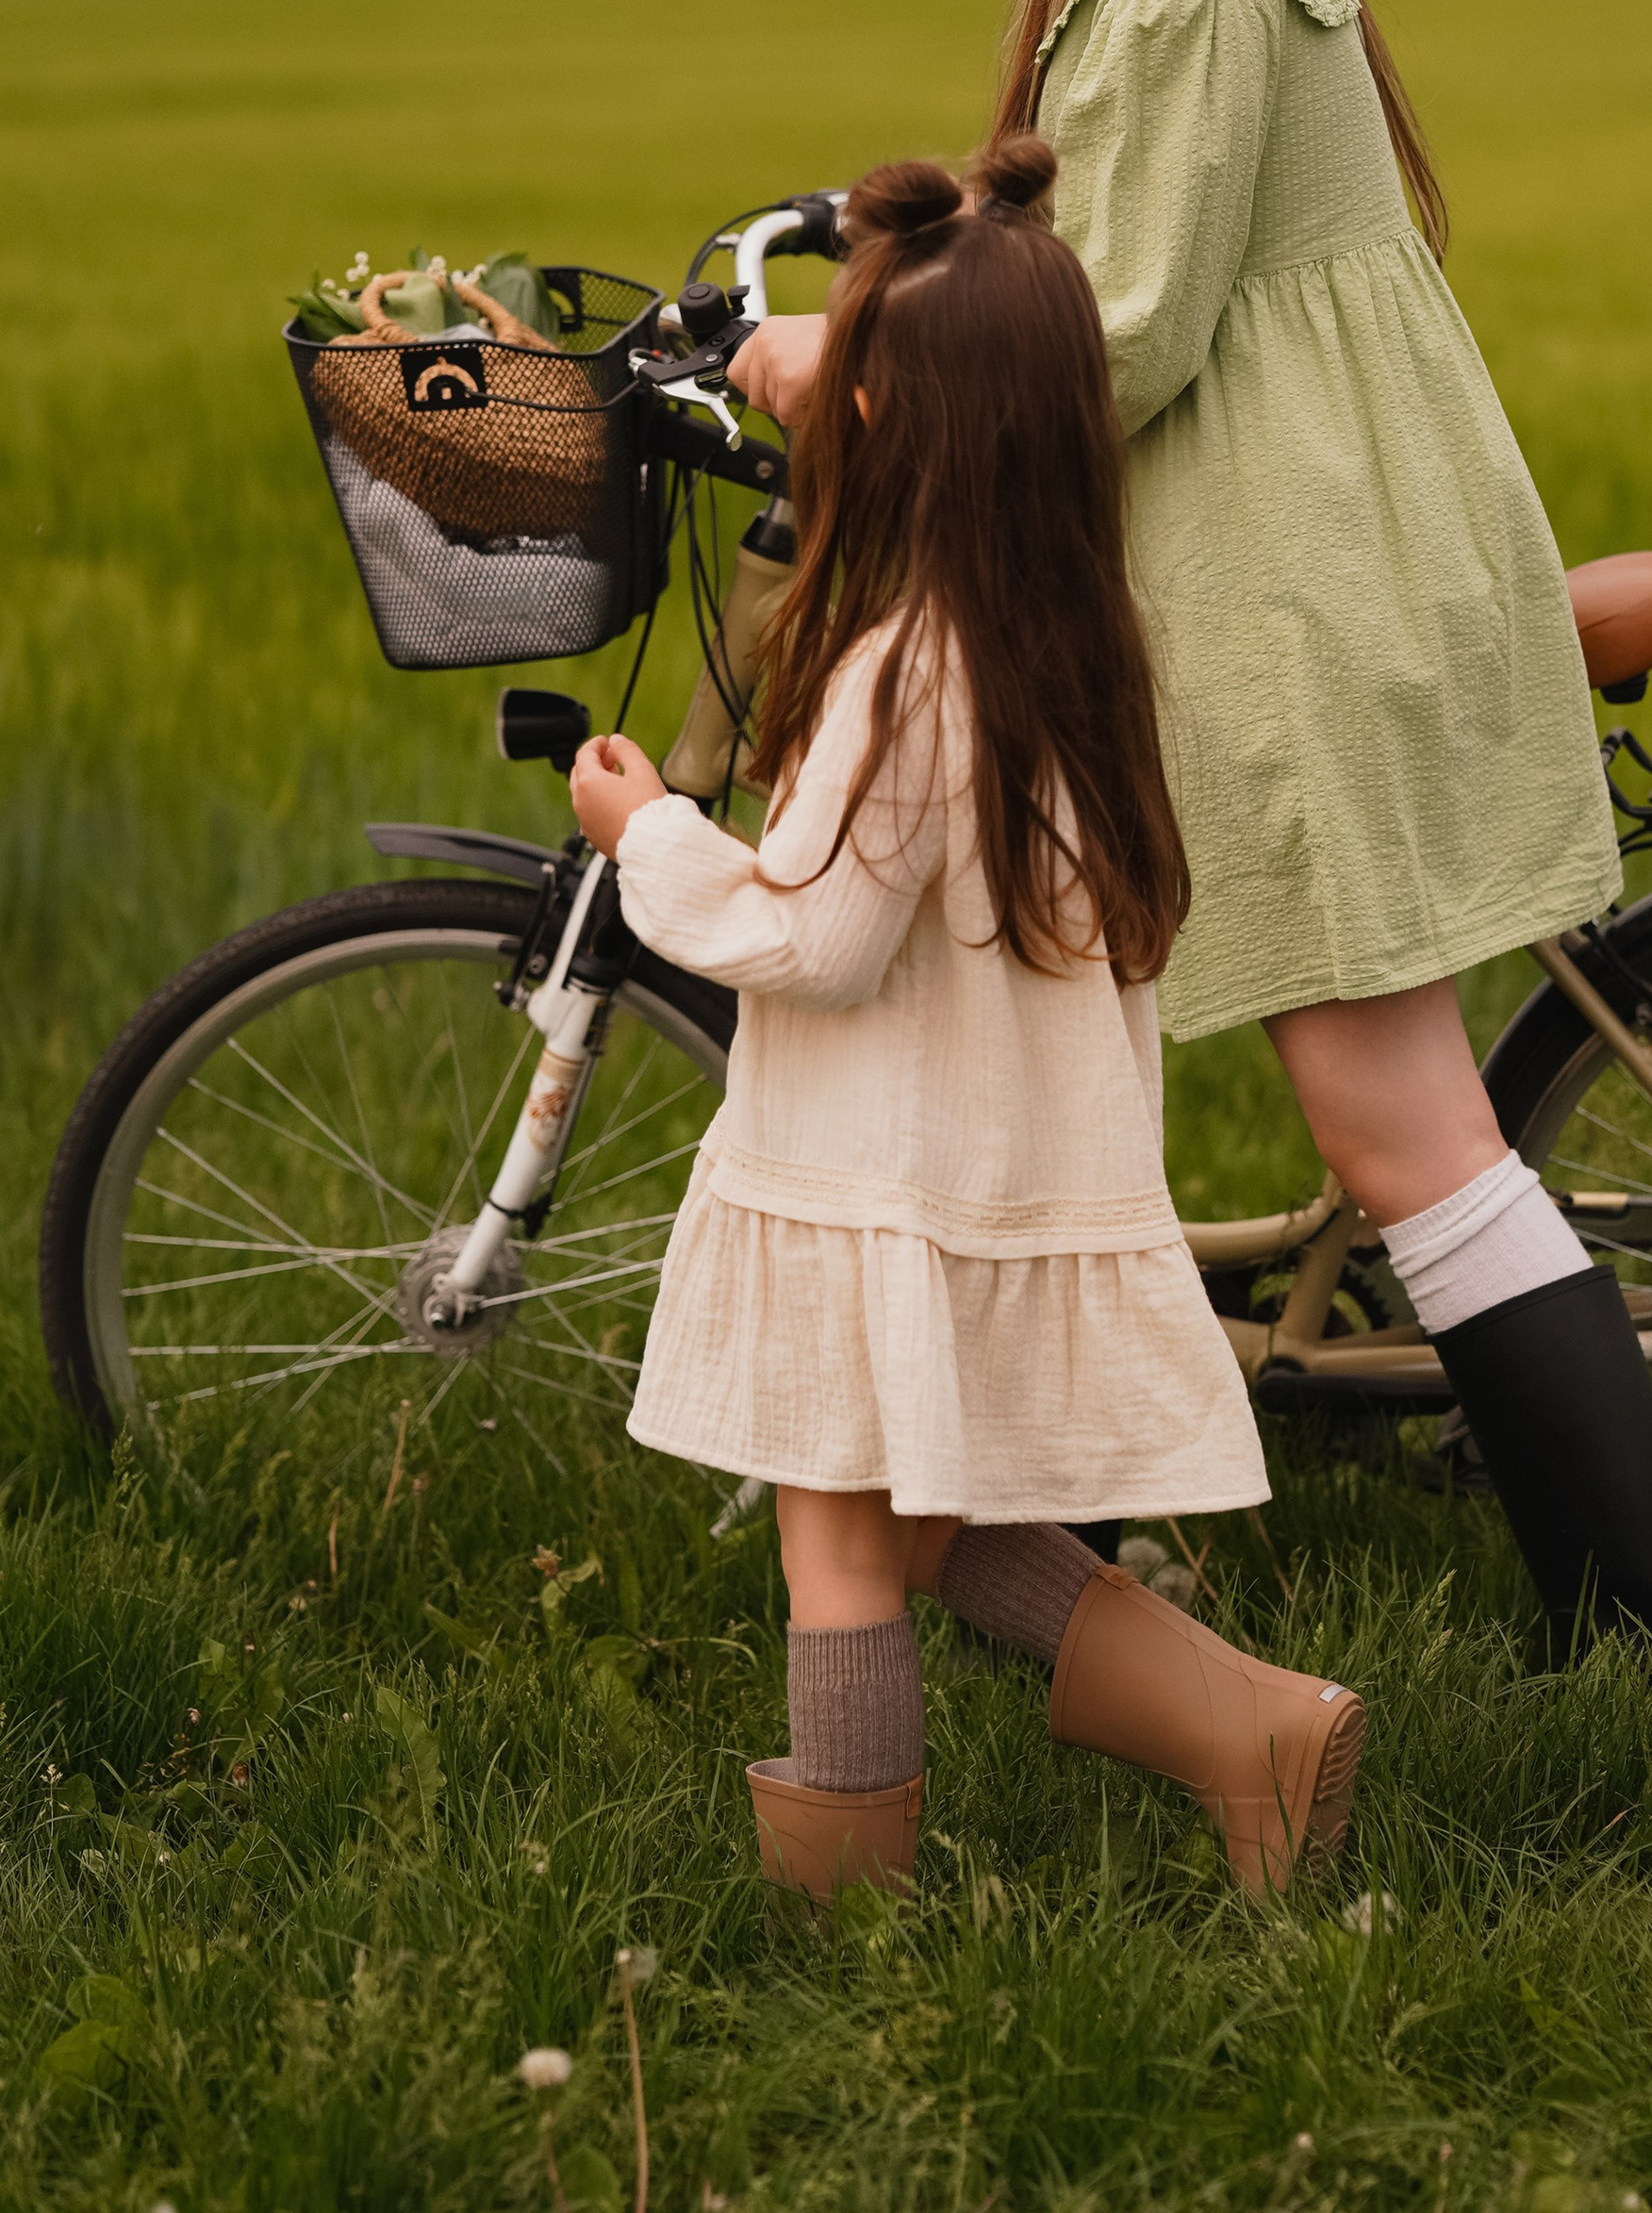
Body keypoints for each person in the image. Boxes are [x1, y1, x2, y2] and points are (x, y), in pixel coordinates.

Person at [732, 0, 1652, 1651]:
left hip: (1296, 591)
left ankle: (1635, 1641)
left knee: (1403, 1129)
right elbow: (1098, 256)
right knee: (1373, 1111)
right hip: (1307, 547)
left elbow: (1120, 325)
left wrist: (839, 353)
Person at [570, 142, 1367, 1902]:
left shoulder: (894, 662)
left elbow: (821, 937)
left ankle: (845, 1923)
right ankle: (1258, 1731)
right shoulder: (1075, 639)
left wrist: (652, 840)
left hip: (884, 1172)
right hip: (995, 1167)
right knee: (933, 1518)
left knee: (842, 1530)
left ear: (874, 417)